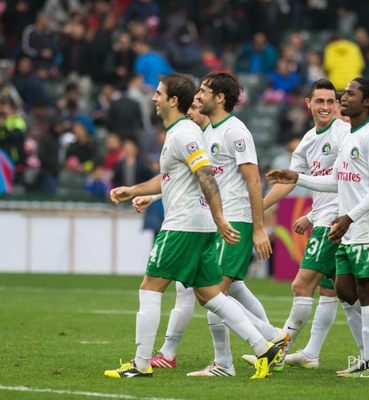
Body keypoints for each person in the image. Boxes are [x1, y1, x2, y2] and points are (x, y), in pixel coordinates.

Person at [103, 73, 282, 379]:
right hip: (198, 224)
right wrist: (135, 191)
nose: (154, 98)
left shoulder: (184, 134)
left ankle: (141, 364)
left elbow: (206, 175)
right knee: (210, 295)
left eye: (159, 93)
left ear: (173, 100)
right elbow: (174, 177)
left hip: (183, 225)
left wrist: (221, 217)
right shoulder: (185, 132)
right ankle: (264, 346)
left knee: (150, 287)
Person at [266, 77, 369, 378]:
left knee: (367, 291)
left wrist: (350, 216)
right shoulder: (350, 136)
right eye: (342, 94)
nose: (341, 99)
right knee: (344, 290)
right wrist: (298, 179)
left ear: (367, 101)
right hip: (350, 226)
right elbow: (337, 180)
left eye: (348, 94)